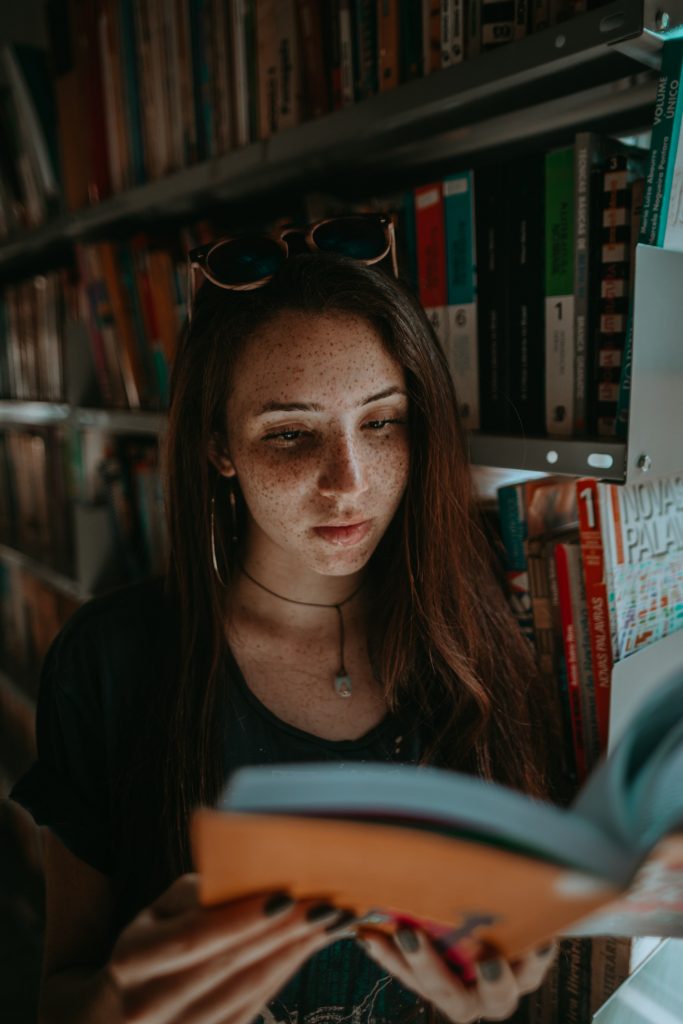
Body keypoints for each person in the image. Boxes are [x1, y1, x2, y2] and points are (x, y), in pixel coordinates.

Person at [11, 216, 559, 1024]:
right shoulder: (113, 657)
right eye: (292, 435)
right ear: (218, 446)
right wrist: (118, 1006)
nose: (349, 482)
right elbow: (58, 992)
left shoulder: (482, 635)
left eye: (380, 422)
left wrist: (506, 988)